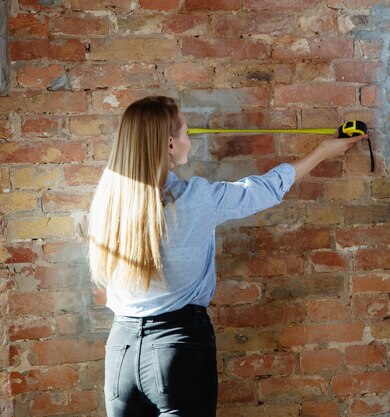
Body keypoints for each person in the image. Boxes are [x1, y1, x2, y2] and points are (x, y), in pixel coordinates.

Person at [87, 95, 366, 417]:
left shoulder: (107, 203)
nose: (189, 142)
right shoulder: (195, 199)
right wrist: (322, 153)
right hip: (176, 346)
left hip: (120, 349)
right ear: (169, 145)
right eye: (186, 134)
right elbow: (264, 189)